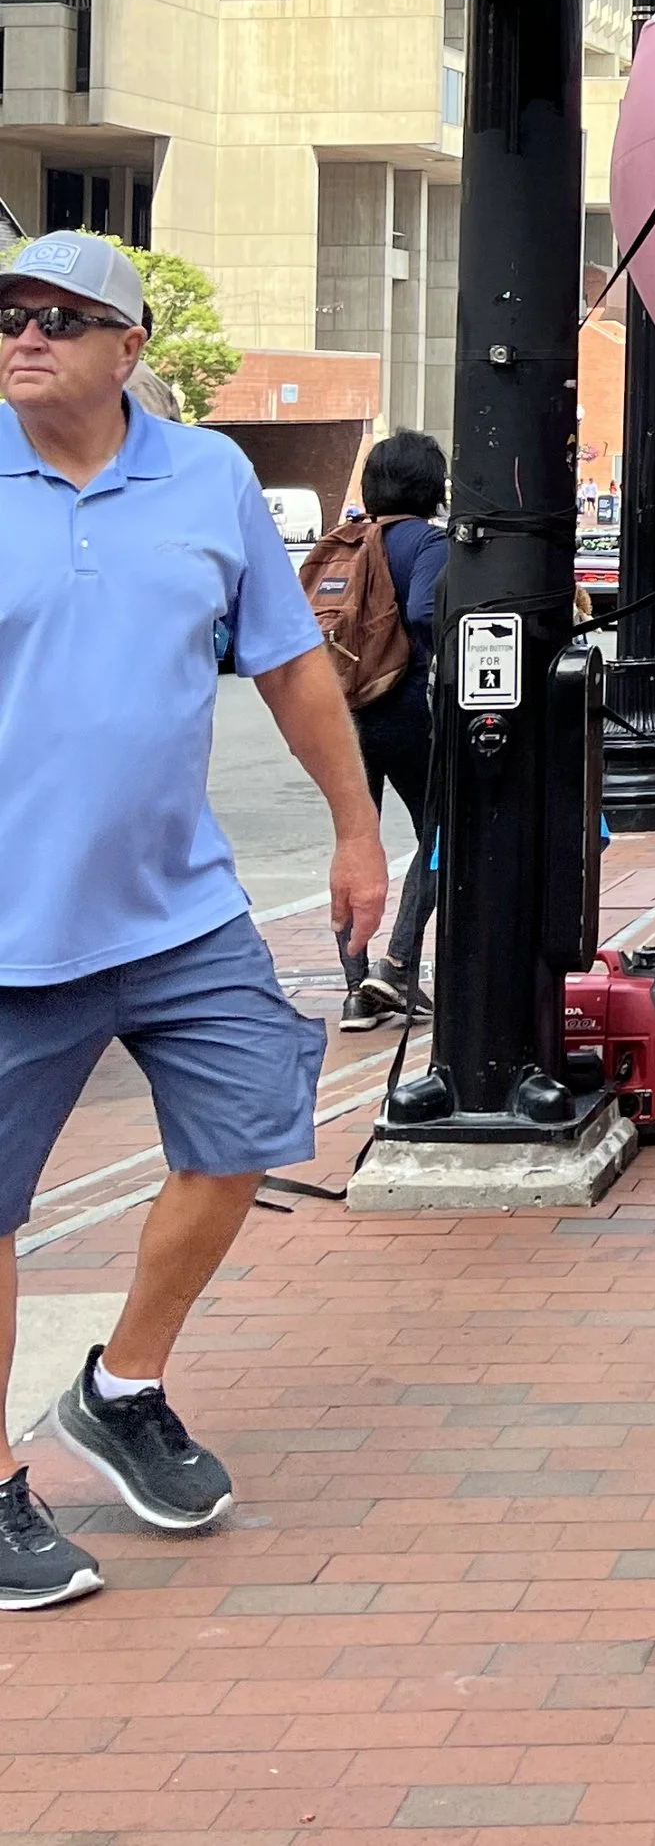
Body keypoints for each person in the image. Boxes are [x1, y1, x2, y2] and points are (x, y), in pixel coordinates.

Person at [0, 230, 387, 1611]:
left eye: (64, 315)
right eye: (10, 312)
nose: (28, 332)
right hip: (9, 932)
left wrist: (356, 830)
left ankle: (123, 1385)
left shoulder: (210, 476)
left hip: (177, 913)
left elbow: (288, 667)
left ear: (130, 349)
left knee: (245, 1134)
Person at [335, 430, 449, 1033]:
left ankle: (356, 992)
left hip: (341, 714)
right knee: (442, 833)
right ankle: (399, 963)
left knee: (354, 839)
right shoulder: (427, 543)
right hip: (405, 708)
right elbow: (427, 612)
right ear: (433, 487)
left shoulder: (345, 544)